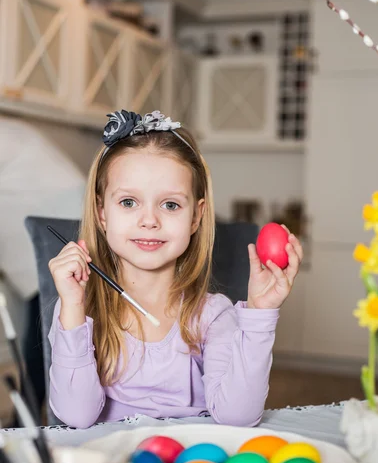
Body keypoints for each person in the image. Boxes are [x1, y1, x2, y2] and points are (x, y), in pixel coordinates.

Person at [48, 110, 303, 429]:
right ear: (102, 213)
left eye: (170, 205)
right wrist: (72, 307)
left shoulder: (212, 316)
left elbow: (237, 416)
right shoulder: (82, 309)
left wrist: (260, 314)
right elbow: (75, 416)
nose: (149, 220)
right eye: (129, 202)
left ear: (196, 217)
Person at [0, 116, 86, 415]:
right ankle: (25, 421)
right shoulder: (13, 133)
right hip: (57, 236)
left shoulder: (7, 136)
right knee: (43, 340)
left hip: (58, 238)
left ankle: (25, 424)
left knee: (44, 342)